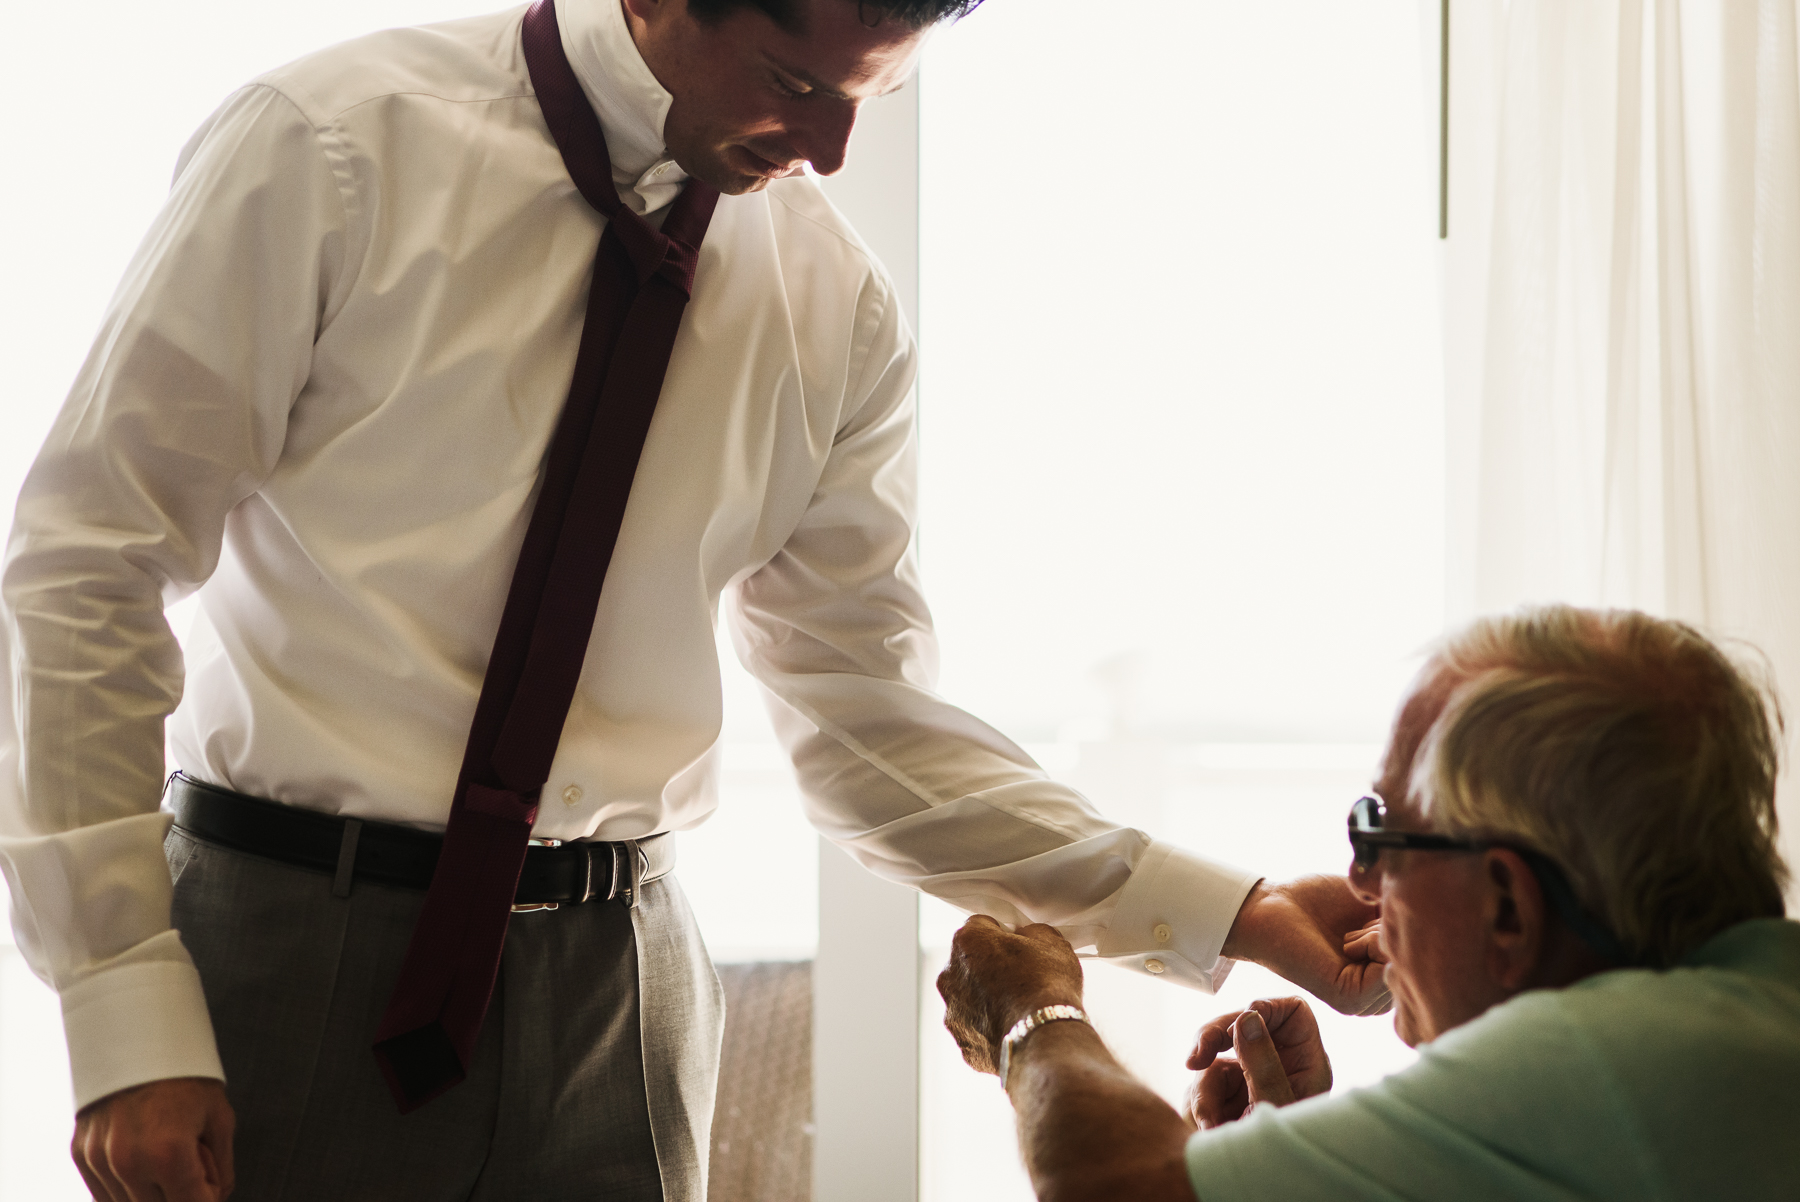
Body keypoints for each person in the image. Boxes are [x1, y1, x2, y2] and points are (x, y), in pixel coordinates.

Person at [0, 0, 1388, 1199]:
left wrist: (1238, 907)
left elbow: (864, 723)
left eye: (876, 94)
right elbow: (87, 563)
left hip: (627, 987)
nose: (833, 151)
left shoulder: (831, 301)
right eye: (801, 86)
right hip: (293, 947)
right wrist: (121, 1007)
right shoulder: (330, 146)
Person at [939, 604, 1800, 1201]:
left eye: (1381, 832)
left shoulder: (1606, 1058)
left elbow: (1110, 1193)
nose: (1358, 881)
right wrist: (1315, 1166)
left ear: (1508, 906)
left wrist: (1031, 1014)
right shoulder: (1735, 1018)